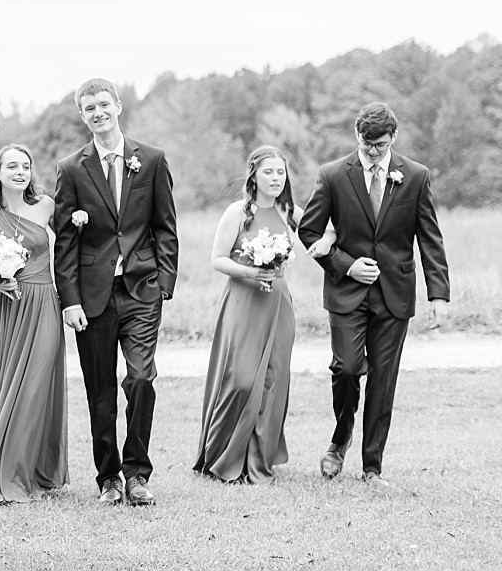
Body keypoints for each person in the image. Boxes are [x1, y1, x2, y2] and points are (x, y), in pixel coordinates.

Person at [298, 103, 449, 488]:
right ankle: (340, 437)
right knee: (347, 369)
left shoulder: (415, 176)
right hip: (347, 292)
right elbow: (310, 233)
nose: (373, 152)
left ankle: (372, 467)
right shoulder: (333, 175)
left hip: (395, 294)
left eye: (380, 145)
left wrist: (439, 295)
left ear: (393, 138)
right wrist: (346, 264)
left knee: (383, 380)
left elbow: (429, 238)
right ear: (356, 136)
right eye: (366, 145)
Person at [52, 79, 177, 507]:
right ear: (82, 115)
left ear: (119, 106)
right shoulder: (71, 169)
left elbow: (166, 228)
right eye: (89, 108)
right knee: (99, 389)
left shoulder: (153, 160)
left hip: (142, 288)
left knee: (141, 379)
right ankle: (108, 478)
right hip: (92, 295)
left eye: (104, 104)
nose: (98, 113)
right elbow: (65, 243)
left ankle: (137, 473)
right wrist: (69, 299)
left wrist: (164, 283)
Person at [0, 145, 68, 503]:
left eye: (26, 166)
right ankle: (1, 470)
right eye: (12, 166)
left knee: (36, 385)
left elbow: (71, 245)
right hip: (5, 308)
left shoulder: (48, 206)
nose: (21, 171)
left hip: (42, 304)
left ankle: (26, 469)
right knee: (1, 385)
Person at [194, 146, 300, 484]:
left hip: (278, 304)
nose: (275, 178)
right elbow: (218, 259)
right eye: (268, 172)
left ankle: (259, 459)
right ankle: (223, 455)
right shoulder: (239, 212)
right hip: (243, 300)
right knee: (240, 379)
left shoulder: (291, 212)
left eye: (280, 172)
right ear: (253, 174)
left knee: (272, 380)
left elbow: (328, 230)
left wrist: (328, 243)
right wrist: (249, 272)